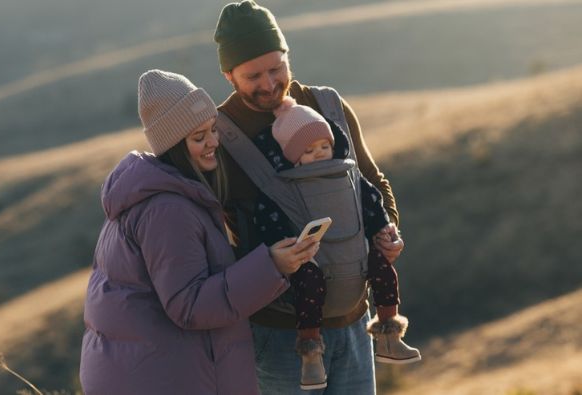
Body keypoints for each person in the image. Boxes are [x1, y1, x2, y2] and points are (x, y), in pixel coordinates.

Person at [79, 69, 320, 395]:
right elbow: (189, 305)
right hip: (168, 379)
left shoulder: (152, 194)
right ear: (174, 145)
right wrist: (272, 267)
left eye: (213, 130)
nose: (213, 143)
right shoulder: (168, 210)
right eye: (198, 137)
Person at [212, 1, 406, 393]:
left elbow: (372, 180)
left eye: (276, 68)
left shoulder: (328, 106)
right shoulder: (218, 135)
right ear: (228, 73)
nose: (268, 84)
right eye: (253, 75)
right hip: (276, 332)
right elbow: (207, 233)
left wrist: (388, 230)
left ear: (287, 56)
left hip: (354, 322)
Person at [254, 97, 421, 389]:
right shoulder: (283, 187)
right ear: (292, 156)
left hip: (354, 274)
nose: (319, 154)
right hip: (310, 263)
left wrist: (384, 230)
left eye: (324, 146)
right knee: (308, 282)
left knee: (382, 269)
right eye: (308, 150)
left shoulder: (348, 175)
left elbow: (372, 203)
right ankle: (310, 352)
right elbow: (269, 222)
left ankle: (389, 336)